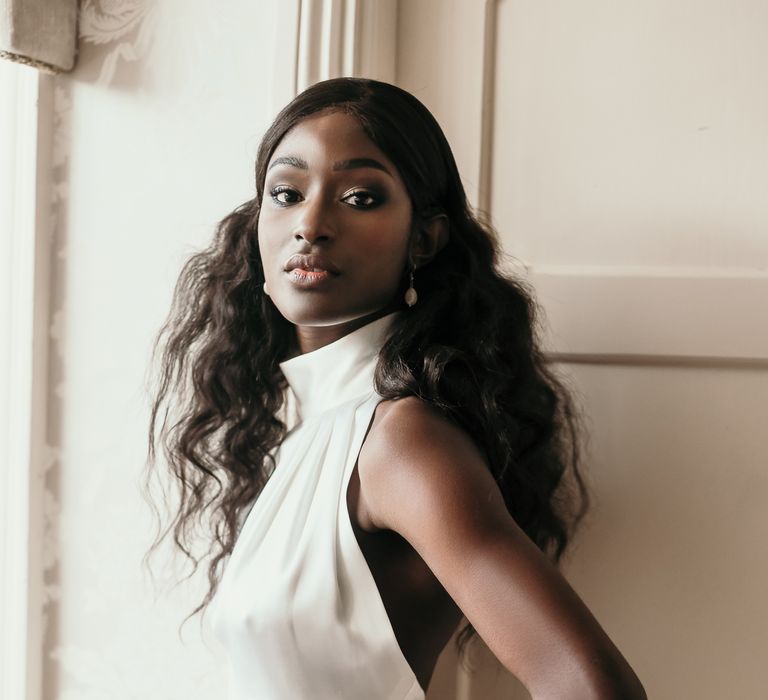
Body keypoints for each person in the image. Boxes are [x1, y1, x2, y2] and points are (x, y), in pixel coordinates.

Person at [147, 77, 646, 699]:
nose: (311, 223)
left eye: (359, 198)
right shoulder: (307, 427)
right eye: (286, 192)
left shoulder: (402, 441)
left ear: (425, 238)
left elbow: (591, 685)